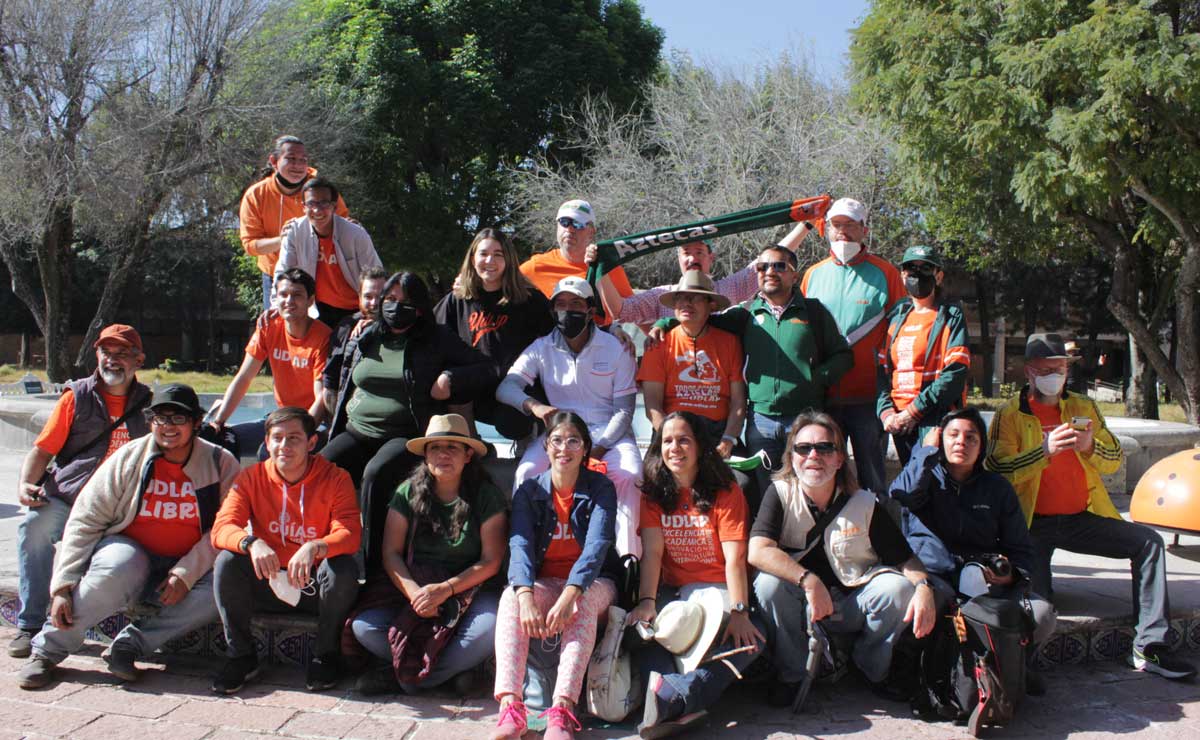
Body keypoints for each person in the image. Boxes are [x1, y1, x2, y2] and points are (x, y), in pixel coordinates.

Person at [986, 333, 1196, 680]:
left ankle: (1150, 647)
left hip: (1080, 519)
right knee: (1039, 606)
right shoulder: (1010, 415)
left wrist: (1089, 447)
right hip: (1030, 526)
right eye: (1046, 369)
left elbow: (1114, 458)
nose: (1055, 375)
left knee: (1148, 543)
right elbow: (997, 471)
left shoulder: (1083, 407)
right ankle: (1020, 666)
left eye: (1060, 368)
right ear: (1029, 372)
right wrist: (1045, 451)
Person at [16, 384, 240, 689]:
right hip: (129, 550)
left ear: (196, 422)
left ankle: (129, 645)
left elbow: (226, 527)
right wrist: (62, 586)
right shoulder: (129, 458)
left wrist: (185, 573)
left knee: (222, 586)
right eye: (160, 418)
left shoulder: (220, 463)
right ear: (150, 422)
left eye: (178, 419)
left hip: (185, 561)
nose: (168, 427)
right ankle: (47, 650)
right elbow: (85, 519)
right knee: (118, 565)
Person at [749, 411, 937, 707]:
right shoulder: (780, 493)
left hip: (850, 603)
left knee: (899, 589)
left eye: (824, 447)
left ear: (839, 459)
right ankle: (793, 674)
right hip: (803, 608)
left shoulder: (864, 502)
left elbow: (906, 560)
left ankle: (871, 669)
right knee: (768, 584)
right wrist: (808, 581)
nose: (813, 455)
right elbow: (757, 550)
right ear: (792, 457)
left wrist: (925, 588)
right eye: (803, 448)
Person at [324, 271, 497, 575]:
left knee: (375, 474)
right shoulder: (366, 333)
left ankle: (372, 570)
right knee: (321, 466)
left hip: (405, 433)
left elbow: (486, 368)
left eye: (404, 301)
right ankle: (313, 555)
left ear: (419, 307)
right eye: (389, 299)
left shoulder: (437, 338)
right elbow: (335, 368)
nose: (394, 307)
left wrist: (449, 378)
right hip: (357, 429)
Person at [654, 245, 852, 493]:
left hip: (805, 418)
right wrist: (666, 321)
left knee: (808, 487)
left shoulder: (813, 311)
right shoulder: (746, 313)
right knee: (766, 490)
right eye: (762, 267)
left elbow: (843, 356)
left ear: (794, 274)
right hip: (761, 421)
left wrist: (815, 379)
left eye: (779, 266)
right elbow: (701, 316)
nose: (769, 271)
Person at [889, 406, 1057, 693]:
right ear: (941, 439)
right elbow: (901, 493)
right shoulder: (924, 477)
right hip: (933, 578)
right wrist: (925, 452)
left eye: (971, 438)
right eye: (953, 435)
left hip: (982, 581)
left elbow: (1021, 549)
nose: (961, 443)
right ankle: (912, 671)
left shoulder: (997, 488)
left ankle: (1013, 666)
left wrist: (1011, 575)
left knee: (1041, 614)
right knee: (911, 599)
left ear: (982, 447)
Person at [11, 324, 153, 659]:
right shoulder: (76, 396)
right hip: (68, 497)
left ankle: (129, 626)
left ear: (138, 360)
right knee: (34, 528)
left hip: (116, 508)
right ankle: (30, 623)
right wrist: (24, 484)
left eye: (121, 354)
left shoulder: (147, 403)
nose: (112, 360)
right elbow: (43, 450)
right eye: (106, 352)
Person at [347, 414, 507, 695]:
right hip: (417, 587)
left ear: (468, 455)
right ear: (425, 455)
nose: (443, 454)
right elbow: (391, 553)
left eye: (453, 447)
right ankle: (448, 675)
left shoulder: (486, 495)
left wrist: (445, 590)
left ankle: (407, 679)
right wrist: (415, 594)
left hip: (469, 589)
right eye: (435, 447)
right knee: (364, 627)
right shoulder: (406, 492)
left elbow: (490, 561)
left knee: (490, 628)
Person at [629, 412, 765, 737]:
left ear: (700, 445)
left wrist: (740, 611)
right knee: (646, 631)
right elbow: (653, 554)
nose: (675, 448)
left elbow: (735, 560)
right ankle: (671, 701)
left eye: (684, 440)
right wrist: (647, 601)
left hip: (721, 592)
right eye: (667, 441)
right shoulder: (653, 494)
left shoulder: (726, 491)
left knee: (754, 638)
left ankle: (676, 697)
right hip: (676, 593)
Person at [210, 407, 362, 693]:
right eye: (277, 438)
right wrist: (251, 542)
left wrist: (316, 546)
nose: (284, 446)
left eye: (294, 438)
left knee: (342, 568)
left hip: (312, 586)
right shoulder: (250, 478)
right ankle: (241, 656)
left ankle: (325, 655)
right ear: (266, 443)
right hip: (268, 580)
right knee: (227, 561)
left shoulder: (335, 478)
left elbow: (350, 534)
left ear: (311, 443)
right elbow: (222, 528)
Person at [490, 412, 618, 740]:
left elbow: (597, 546)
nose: (565, 448)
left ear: (585, 448)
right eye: (557, 440)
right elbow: (518, 545)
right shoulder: (530, 490)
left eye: (573, 440)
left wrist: (571, 594)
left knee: (583, 605)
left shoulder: (601, 487)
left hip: (594, 584)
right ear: (546, 447)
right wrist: (525, 596)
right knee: (509, 599)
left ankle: (562, 711)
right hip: (546, 583)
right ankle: (511, 707)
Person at [496, 276, 642, 555]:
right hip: (560, 432)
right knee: (527, 472)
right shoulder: (541, 348)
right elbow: (506, 387)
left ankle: (629, 560)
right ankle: (522, 556)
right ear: (552, 311)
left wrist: (594, 452)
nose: (567, 311)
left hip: (608, 433)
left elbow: (624, 411)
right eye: (560, 304)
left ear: (590, 310)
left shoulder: (616, 347)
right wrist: (534, 407)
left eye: (575, 304)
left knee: (629, 474)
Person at [799, 198, 904, 494]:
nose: (842, 232)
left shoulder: (886, 273)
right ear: (826, 230)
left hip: (869, 399)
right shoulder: (813, 274)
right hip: (824, 398)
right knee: (825, 477)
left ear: (864, 230)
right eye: (836, 225)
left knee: (872, 476)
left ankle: (875, 535)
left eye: (850, 225)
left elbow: (901, 330)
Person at [434, 228, 555, 440]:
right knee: (448, 383)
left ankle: (529, 442)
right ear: (472, 259)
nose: (490, 260)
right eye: (483, 254)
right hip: (476, 381)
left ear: (508, 259)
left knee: (512, 424)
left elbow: (560, 331)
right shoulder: (459, 298)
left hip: (516, 385)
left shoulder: (529, 299)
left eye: (498, 254)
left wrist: (612, 330)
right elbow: (428, 328)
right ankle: (470, 446)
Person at [208, 268, 331, 459]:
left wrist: (298, 434)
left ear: (310, 301)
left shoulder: (323, 337)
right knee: (219, 441)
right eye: (283, 294)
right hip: (279, 418)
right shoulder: (268, 327)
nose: (289, 301)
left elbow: (320, 398)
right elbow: (244, 377)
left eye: (297, 295)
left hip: (313, 423)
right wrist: (219, 421)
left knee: (268, 453)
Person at [591, 226, 815, 328]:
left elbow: (768, 262)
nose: (692, 258)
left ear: (711, 258)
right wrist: (601, 268)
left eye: (699, 252)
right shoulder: (661, 296)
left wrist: (806, 225)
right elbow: (619, 310)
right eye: (686, 253)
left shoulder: (729, 289)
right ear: (678, 258)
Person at [877, 245, 970, 465]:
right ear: (902, 275)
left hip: (934, 419)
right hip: (899, 423)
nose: (917, 274)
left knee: (934, 485)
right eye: (911, 268)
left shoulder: (950, 316)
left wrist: (913, 412)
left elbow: (955, 374)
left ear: (938, 276)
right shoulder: (895, 316)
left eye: (926, 268)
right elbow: (881, 370)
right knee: (911, 487)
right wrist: (887, 413)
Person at [239, 135, 349, 309]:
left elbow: (343, 223)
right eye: (291, 159)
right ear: (274, 161)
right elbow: (251, 245)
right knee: (281, 328)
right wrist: (283, 240)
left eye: (302, 160)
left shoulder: (322, 189)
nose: (298, 166)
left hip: (321, 271)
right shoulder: (256, 195)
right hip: (278, 277)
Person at [275, 176, 382, 328]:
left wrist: (373, 315)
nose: (317, 210)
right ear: (303, 206)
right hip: (317, 310)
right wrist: (275, 308)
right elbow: (283, 272)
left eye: (324, 203)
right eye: (311, 203)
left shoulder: (355, 234)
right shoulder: (295, 232)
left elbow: (376, 275)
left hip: (356, 310)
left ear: (334, 206)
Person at [518, 199, 633, 327]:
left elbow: (633, 311)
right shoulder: (535, 267)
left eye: (578, 224)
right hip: (549, 343)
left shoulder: (606, 268)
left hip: (598, 343)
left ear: (591, 231)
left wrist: (614, 329)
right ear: (557, 227)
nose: (570, 229)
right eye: (564, 222)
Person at [323, 266, 389, 413]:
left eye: (380, 297)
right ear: (359, 297)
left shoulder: (405, 327)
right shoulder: (346, 328)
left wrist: (379, 327)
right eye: (368, 297)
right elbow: (330, 384)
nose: (374, 303)